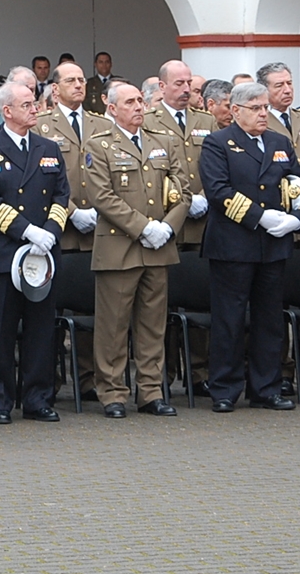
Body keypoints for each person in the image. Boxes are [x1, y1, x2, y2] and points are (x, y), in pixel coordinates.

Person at [200, 80, 300, 413]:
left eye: (266, 107)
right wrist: (260, 218)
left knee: (269, 320)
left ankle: (266, 387)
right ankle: (224, 388)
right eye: (256, 108)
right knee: (230, 319)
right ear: (235, 111)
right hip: (234, 244)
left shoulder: (279, 142)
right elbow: (218, 191)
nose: (264, 113)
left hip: (273, 246)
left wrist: (298, 217)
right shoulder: (218, 143)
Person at [84, 81, 189, 418]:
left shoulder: (162, 141)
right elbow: (102, 197)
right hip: (120, 248)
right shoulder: (99, 145)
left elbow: (183, 192)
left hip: (159, 247)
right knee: (113, 326)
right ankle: (112, 392)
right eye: (130, 102)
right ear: (111, 109)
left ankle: (150, 391)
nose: (139, 107)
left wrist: (168, 227)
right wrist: (143, 227)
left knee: (153, 325)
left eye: (141, 101)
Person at [0, 82, 70, 424]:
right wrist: (28, 232)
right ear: (7, 111)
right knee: (1, 328)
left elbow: (61, 195)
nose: (35, 109)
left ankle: (37, 397)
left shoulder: (49, 147)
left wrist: (51, 233)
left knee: (41, 328)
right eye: (27, 105)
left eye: (34, 104)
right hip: (5, 251)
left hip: (44, 253)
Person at [33, 61, 105, 400]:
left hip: (98, 231)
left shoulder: (101, 124)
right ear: (55, 89)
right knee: (51, 310)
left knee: (93, 308)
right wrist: (73, 212)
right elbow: (42, 183)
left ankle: (89, 378)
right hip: (59, 228)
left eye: (81, 80)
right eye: (71, 81)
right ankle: (51, 381)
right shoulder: (43, 126)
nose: (79, 85)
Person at [147, 60, 218, 395]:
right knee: (162, 305)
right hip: (167, 226)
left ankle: (200, 372)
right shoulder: (148, 121)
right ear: (162, 87)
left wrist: (204, 196)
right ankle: (163, 373)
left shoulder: (206, 121)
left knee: (201, 300)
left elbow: (217, 166)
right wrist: (180, 207)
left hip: (202, 227)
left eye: (189, 83)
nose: (186, 89)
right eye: (178, 84)